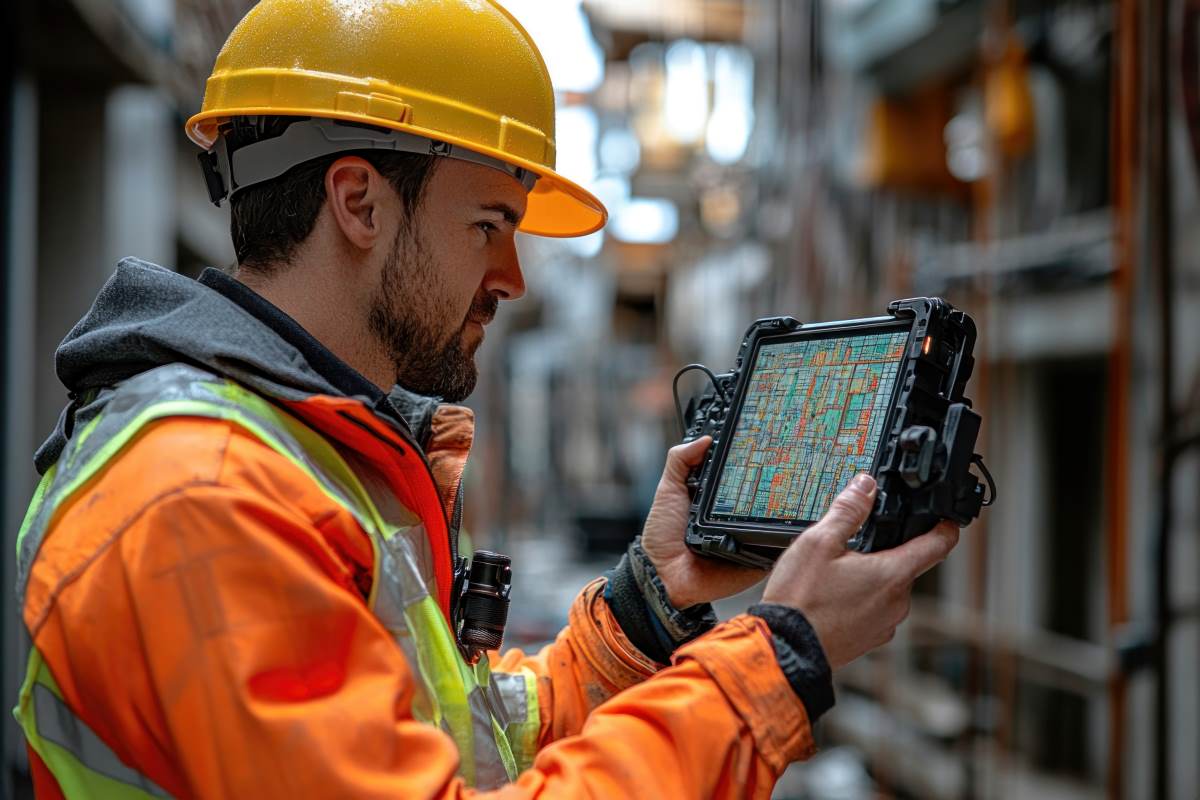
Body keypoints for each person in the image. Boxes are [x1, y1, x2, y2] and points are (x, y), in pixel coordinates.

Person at [12, 1, 960, 797]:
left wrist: (646, 605)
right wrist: (778, 662)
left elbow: (462, 736)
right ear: (360, 202)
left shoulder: (305, 456)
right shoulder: (206, 495)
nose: (512, 275)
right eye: (489, 223)